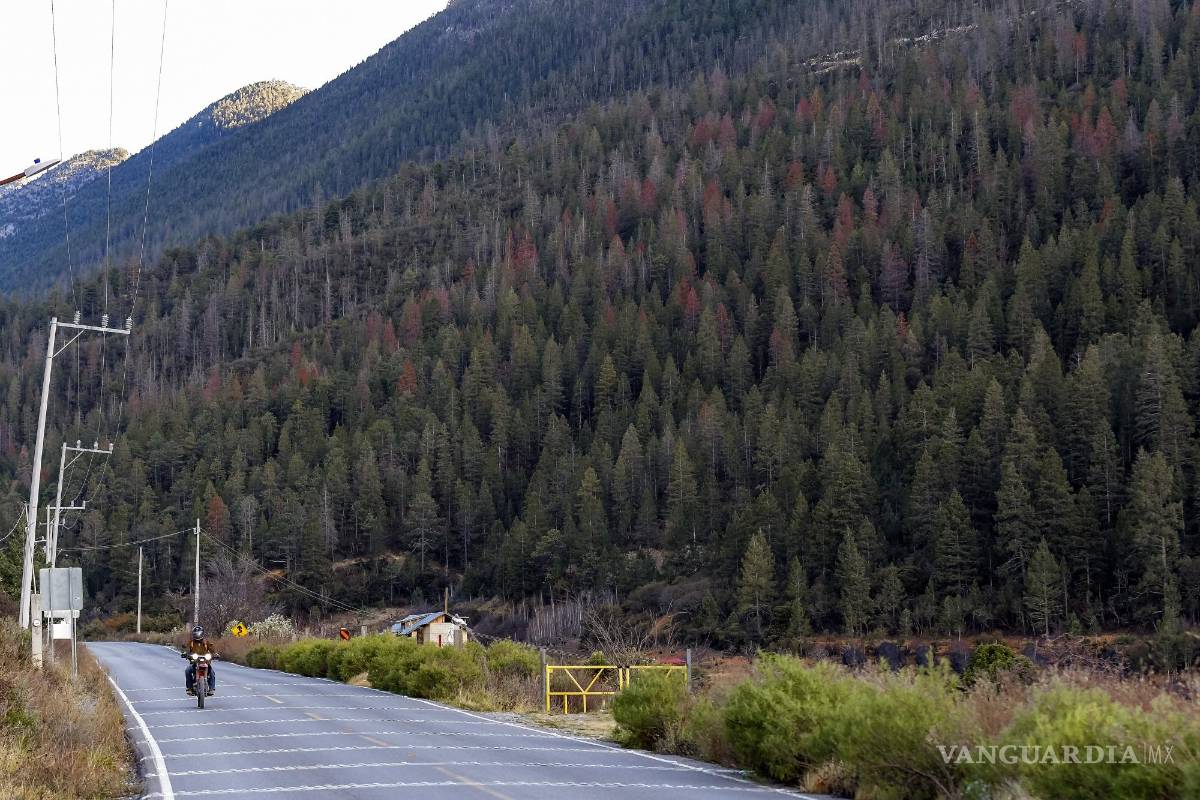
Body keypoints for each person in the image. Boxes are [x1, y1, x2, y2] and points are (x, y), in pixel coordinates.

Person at [182, 625, 217, 695]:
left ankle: (211, 688)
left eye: (199, 633)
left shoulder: (206, 642)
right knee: (187, 671)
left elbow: (212, 649)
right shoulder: (191, 642)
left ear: (202, 633)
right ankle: (189, 688)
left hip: (206, 662)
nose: (197, 635)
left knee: (212, 673)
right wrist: (185, 653)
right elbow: (187, 649)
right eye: (195, 633)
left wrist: (215, 654)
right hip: (194, 662)